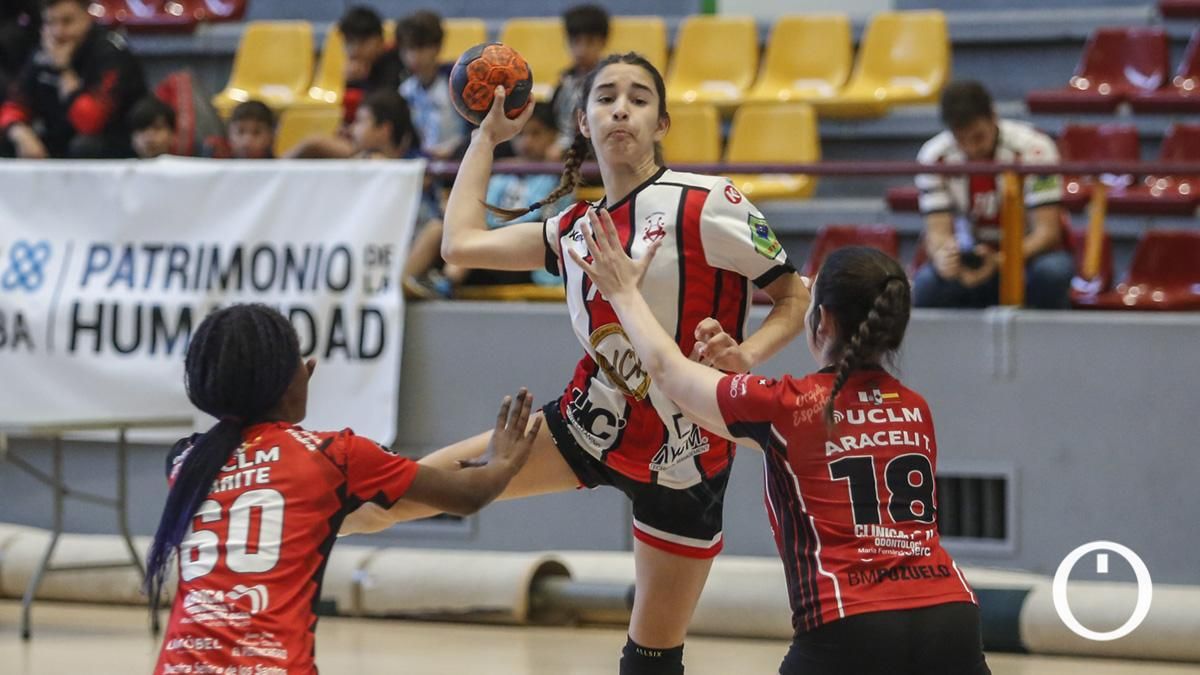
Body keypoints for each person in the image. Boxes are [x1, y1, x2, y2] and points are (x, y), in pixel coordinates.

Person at [343, 52, 810, 674]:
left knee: (651, 657)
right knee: (396, 494)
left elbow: (794, 295)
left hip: (686, 454)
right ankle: (275, 525)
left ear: (662, 123)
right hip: (588, 424)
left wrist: (745, 356)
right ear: (584, 123)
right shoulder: (573, 229)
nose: (622, 108)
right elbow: (460, 244)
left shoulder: (706, 201)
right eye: (607, 97)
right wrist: (486, 137)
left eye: (639, 99)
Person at [571, 225, 990, 675]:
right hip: (952, 615)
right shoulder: (915, 409)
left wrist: (624, 293)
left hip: (847, 625)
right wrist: (733, 375)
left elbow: (668, 376)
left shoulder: (787, 405)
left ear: (822, 320)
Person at [147, 303, 538, 675]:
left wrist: (286, 386)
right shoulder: (335, 455)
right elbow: (467, 495)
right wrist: (502, 460)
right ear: (292, 379)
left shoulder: (185, 462)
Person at [913, 80, 1074, 309]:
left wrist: (1000, 261)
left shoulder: (1036, 149)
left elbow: (1047, 233)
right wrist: (945, 258)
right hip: (971, 256)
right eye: (961, 140)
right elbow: (937, 232)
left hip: (1029, 254)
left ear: (994, 117)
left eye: (978, 137)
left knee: (1051, 273)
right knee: (927, 285)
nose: (971, 148)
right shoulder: (933, 157)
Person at [404, 102, 570, 296]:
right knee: (436, 228)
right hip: (486, 252)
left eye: (536, 134)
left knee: (470, 243)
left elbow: (547, 227)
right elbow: (480, 211)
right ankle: (397, 287)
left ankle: (446, 283)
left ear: (553, 136)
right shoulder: (502, 172)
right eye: (522, 135)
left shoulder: (560, 176)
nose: (526, 142)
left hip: (525, 257)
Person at [0, 0, 147, 158]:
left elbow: (90, 123)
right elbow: (14, 105)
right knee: (9, 141)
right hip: (62, 137)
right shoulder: (42, 54)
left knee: (83, 146)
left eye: (67, 22)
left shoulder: (111, 54)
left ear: (87, 17)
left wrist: (64, 71)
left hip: (116, 140)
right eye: (51, 23)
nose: (58, 32)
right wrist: (18, 131)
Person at [396, 10, 465, 160]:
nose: (413, 57)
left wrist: (454, 153)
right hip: (424, 167)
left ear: (437, 47)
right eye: (407, 49)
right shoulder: (405, 90)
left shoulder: (457, 82)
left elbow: (476, 129)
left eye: (420, 48)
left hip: (460, 163)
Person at [548, 4, 609, 159]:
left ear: (602, 42)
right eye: (575, 42)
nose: (581, 50)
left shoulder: (610, 82)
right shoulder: (564, 81)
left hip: (595, 155)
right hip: (561, 153)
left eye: (589, 42)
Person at [286, 89, 418, 160]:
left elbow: (314, 143)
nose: (352, 128)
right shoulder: (362, 157)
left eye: (360, 121)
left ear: (384, 130)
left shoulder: (417, 164)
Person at [337, 5, 404, 125]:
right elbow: (349, 120)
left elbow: (383, 115)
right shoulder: (357, 69)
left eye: (361, 43)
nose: (353, 50)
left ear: (378, 40)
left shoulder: (396, 62)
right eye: (348, 43)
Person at [207, 99, 275, 159]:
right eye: (240, 131)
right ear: (229, 133)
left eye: (256, 132)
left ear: (271, 135)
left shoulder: (281, 167)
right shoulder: (215, 162)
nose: (247, 141)